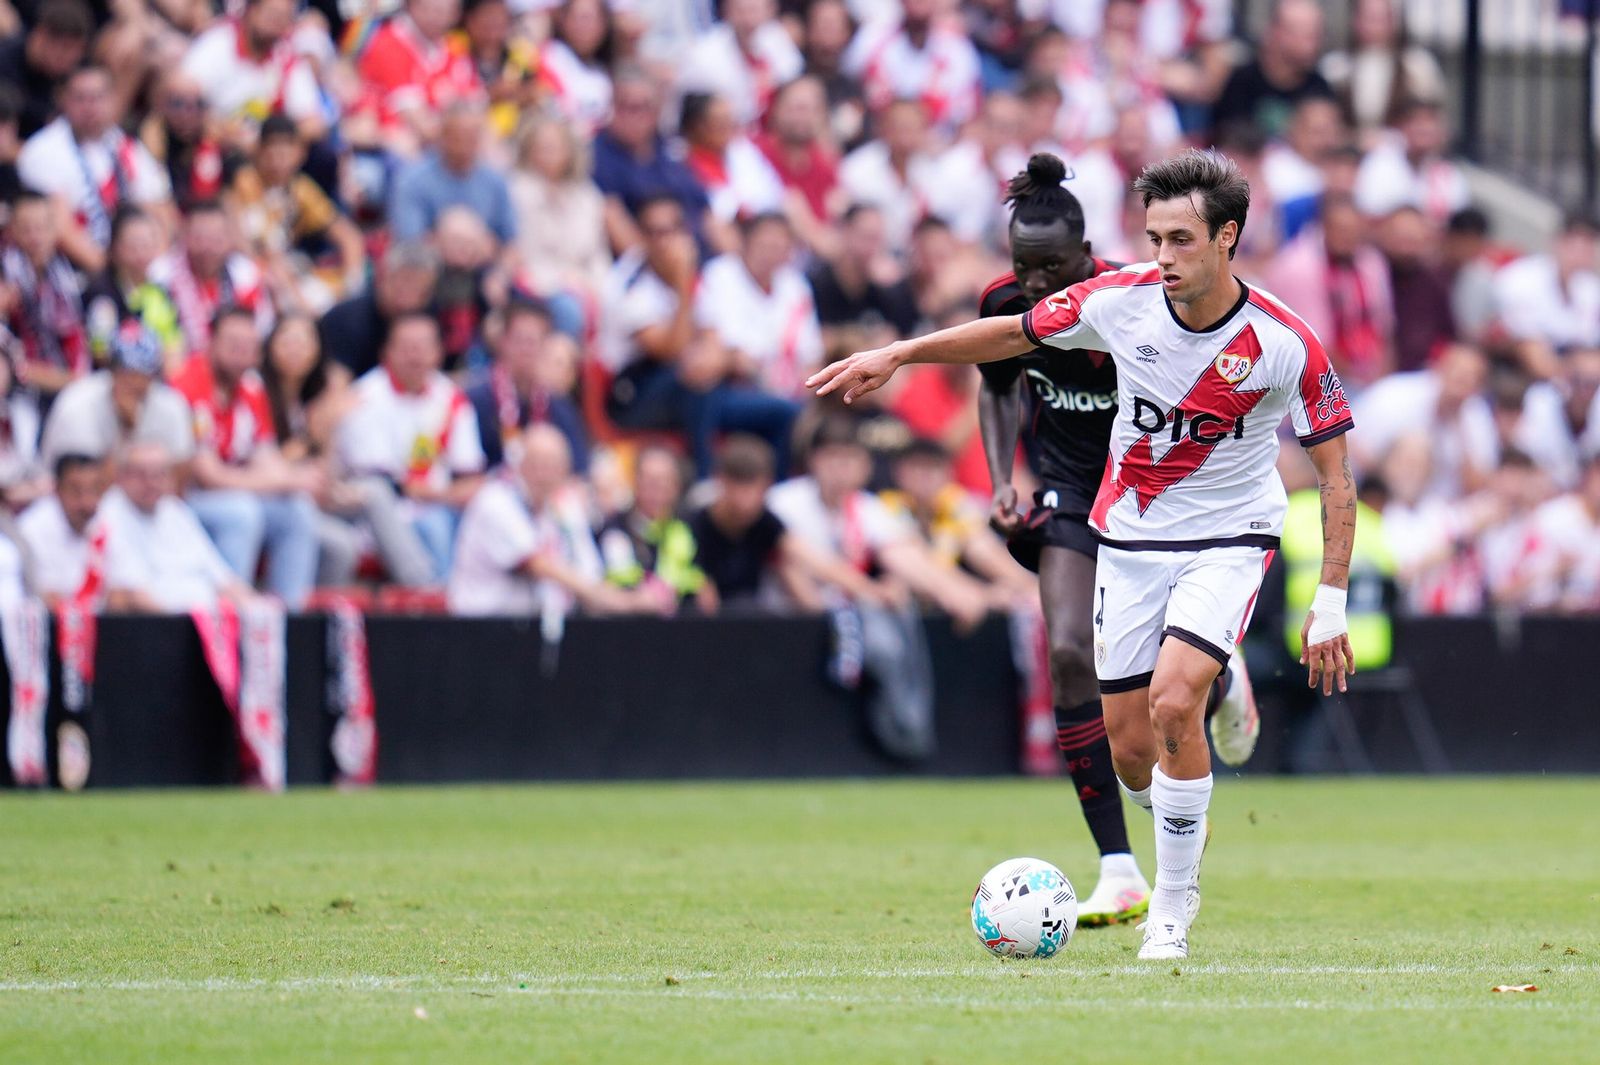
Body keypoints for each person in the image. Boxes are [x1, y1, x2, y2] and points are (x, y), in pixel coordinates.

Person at [810, 149, 1358, 960]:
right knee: (1131, 750)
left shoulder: (1286, 343)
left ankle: (1170, 908)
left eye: (1180, 239)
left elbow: (1336, 479)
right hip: (1129, 534)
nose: (1163, 256)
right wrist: (899, 354)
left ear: (1227, 237)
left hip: (1229, 535)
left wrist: (1330, 601)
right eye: (1154, 236)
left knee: (1176, 702)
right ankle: (1204, 730)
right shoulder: (1120, 301)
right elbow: (1009, 334)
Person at [968, 153, 1160, 927]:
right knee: (1072, 649)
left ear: (1086, 256)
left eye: (1051, 268)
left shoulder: (1132, 300)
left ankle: (1224, 679)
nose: (1037, 284)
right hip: (1069, 491)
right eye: (1024, 266)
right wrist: (999, 480)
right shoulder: (1006, 303)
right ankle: (1118, 866)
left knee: (1160, 674)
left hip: (1153, 494)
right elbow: (996, 388)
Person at [170, 306, 320, 609]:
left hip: (232, 490)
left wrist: (295, 481)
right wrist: (288, 480)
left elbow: (266, 457)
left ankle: (287, 616)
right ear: (210, 342)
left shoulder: (251, 387)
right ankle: (231, 617)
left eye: (250, 347)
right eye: (233, 345)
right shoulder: (189, 383)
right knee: (242, 512)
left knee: (298, 511)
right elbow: (209, 476)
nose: (242, 355)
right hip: (185, 499)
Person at [448, 423, 666, 617]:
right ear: (519, 465)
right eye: (536, 463)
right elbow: (541, 567)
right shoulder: (495, 501)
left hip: (529, 632)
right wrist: (625, 603)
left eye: (553, 465)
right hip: (478, 627)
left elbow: (589, 572)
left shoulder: (564, 508)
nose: (544, 474)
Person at [337, 312, 486, 586]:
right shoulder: (366, 396)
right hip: (377, 513)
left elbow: (470, 476)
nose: (414, 356)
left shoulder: (451, 398)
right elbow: (385, 482)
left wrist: (440, 494)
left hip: (438, 506)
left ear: (439, 353)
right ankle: (432, 596)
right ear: (387, 352)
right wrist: (438, 493)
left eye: (423, 347)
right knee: (425, 521)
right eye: (406, 348)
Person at [687, 433, 891, 610]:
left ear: (766, 484)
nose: (744, 501)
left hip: (749, 615)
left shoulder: (765, 521)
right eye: (738, 487)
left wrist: (870, 590)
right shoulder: (694, 523)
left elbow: (816, 561)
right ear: (720, 481)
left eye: (752, 488)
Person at [16, 64, 172, 255]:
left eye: (98, 98)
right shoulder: (42, 151)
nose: (89, 107)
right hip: (74, 268)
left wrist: (156, 267)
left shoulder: (127, 147)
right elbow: (61, 229)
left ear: (114, 100)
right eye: (80, 98)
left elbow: (160, 210)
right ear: (63, 100)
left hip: (130, 265)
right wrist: (110, 278)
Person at [100, 438, 256, 613]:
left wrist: (257, 609)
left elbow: (223, 579)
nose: (151, 482)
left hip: (205, 622)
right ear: (121, 476)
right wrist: (183, 628)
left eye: (159, 474)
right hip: (157, 624)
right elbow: (132, 594)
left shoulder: (175, 510)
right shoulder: (108, 514)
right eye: (141, 474)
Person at [40, 323, 194, 467]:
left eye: (144, 373)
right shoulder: (77, 404)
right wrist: (127, 431)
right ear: (112, 371)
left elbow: (180, 475)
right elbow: (81, 485)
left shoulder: (171, 406)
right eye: (127, 372)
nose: (135, 382)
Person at [465, 299, 588, 471]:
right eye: (520, 340)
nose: (526, 349)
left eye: (533, 342)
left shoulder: (558, 404)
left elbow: (579, 467)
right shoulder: (475, 399)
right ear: (503, 341)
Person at [597, 444, 711, 610]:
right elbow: (617, 580)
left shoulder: (689, 526)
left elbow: (697, 579)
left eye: (665, 482)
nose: (657, 490)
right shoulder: (614, 528)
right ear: (634, 482)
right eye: (650, 482)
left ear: (676, 487)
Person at [388, 101, 515, 247]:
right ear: (441, 136)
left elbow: (511, 241)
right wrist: (456, 243)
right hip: (429, 263)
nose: (463, 145)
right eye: (456, 137)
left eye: (471, 137)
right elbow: (409, 240)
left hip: (485, 265)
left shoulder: (495, 181)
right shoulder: (412, 180)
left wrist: (495, 261)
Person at [319, 240, 440, 378]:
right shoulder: (347, 320)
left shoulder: (427, 316)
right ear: (383, 277)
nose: (409, 297)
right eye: (403, 283)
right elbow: (336, 387)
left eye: (419, 289)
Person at [16, 451, 107, 604]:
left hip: (102, 621)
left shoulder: (105, 521)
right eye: (76, 491)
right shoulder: (32, 528)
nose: (86, 502)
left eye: (93, 490)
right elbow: (45, 597)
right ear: (57, 490)